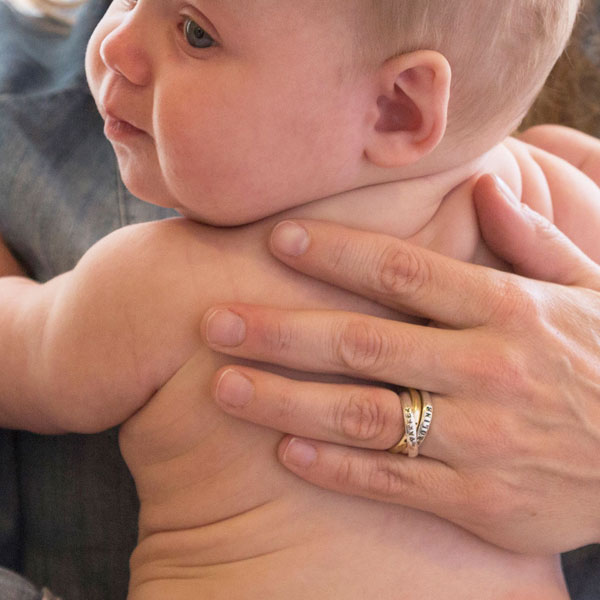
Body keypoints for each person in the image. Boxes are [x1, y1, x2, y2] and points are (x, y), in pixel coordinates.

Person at [1, 1, 600, 599]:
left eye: (194, 33)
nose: (116, 47)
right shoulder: (539, 205)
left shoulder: (167, 284)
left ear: (397, 108)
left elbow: (20, 356)